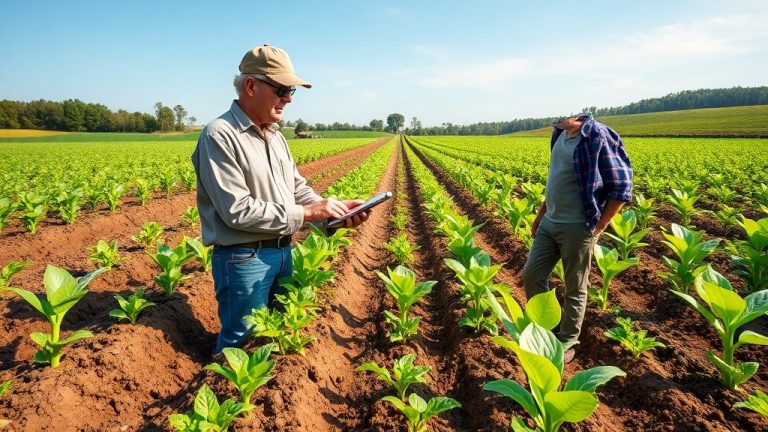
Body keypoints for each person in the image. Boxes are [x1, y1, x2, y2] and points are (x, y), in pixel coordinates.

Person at [192, 44, 369, 353]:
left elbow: (297, 189)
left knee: (275, 339)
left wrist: (333, 213)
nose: (288, 98)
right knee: (240, 347)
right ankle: (224, 396)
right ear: (251, 85)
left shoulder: (274, 135)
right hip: (244, 259)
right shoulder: (219, 135)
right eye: (282, 89)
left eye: (291, 91)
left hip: (283, 253)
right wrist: (309, 214)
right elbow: (238, 211)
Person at [521, 113, 633, 363]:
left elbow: (621, 186)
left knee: (575, 287)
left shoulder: (598, 136)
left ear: (575, 114)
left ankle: (567, 341)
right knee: (532, 275)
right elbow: (556, 181)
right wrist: (541, 214)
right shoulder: (560, 135)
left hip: (578, 226)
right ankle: (548, 330)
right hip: (550, 221)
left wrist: (601, 226)